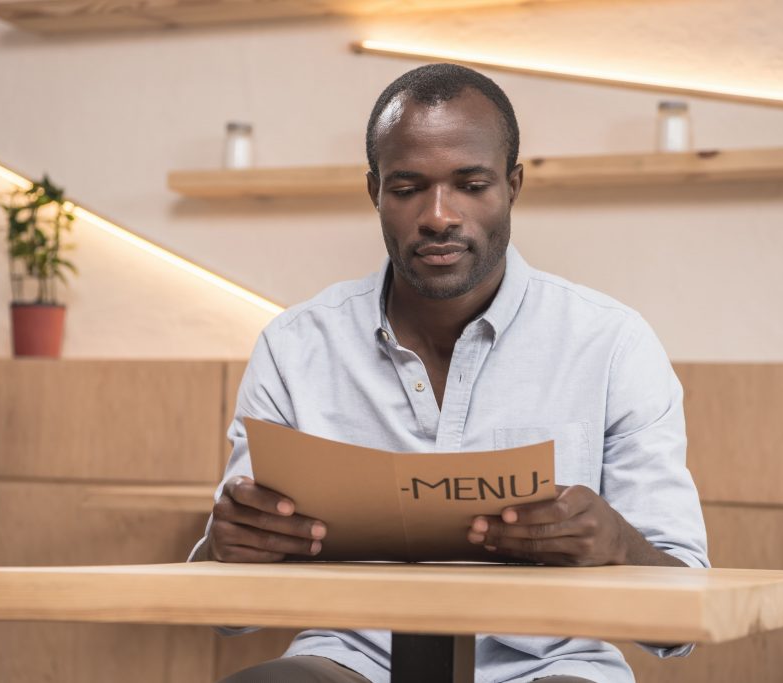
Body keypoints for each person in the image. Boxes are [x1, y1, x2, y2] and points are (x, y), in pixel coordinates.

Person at [190, 63, 709, 683]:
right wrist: (226, 549)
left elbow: (683, 620)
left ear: (512, 185)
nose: (439, 215)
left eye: (470, 184)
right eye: (408, 188)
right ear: (374, 191)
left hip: (554, 667)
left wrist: (621, 546)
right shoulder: (295, 346)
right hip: (349, 659)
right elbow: (228, 612)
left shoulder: (611, 343)